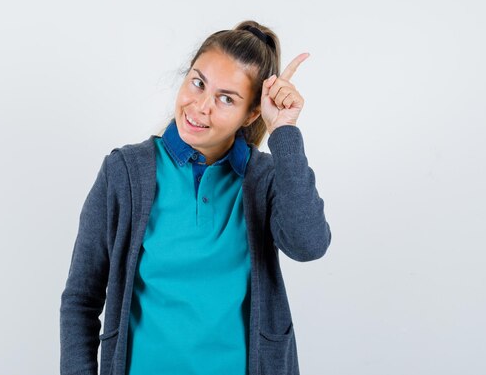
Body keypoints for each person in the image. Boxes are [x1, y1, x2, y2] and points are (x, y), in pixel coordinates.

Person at [60, 20, 332, 375]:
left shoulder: (263, 179)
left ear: (251, 113)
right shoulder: (125, 172)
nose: (201, 106)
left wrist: (284, 132)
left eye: (226, 98)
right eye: (198, 82)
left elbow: (308, 244)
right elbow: (81, 299)